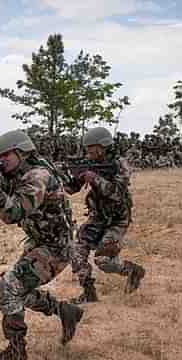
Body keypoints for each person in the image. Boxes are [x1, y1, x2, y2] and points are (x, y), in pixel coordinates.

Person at [0, 130, 84, 360]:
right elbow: (7, 206)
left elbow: (12, 213)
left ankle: (16, 353)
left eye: (6, 156)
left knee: (8, 288)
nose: (2, 161)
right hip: (41, 243)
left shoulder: (37, 177)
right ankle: (63, 310)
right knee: (11, 289)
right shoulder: (18, 174)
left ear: (22, 152)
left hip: (55, 248)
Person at [65, 127, 146, 304]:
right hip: (97, 218)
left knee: (103, 261)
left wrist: (94, 178)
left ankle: (132, 271)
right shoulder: (89, 164)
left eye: (90, 148)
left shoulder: (119, 165)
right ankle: (89, 293)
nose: (88, 152)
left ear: (102, 147)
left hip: (117, 220)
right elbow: (71, 189)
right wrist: (66, 176)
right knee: (75, 251)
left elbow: (116, 193)